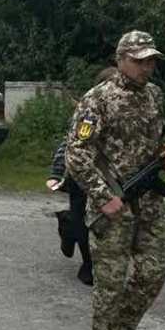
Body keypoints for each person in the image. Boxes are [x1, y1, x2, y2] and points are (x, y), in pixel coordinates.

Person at [64, 31, 165, 330]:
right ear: (120, 60)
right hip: (114, 203)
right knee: (111, 281)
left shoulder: (155, 95)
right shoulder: (97, 99)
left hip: (150, 203)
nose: (147, 67)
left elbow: (157, 143)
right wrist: (103, 197)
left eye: (151, 61)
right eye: (139, 60)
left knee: (154, 272)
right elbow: (77, 154)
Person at [47, 67, 119, 288]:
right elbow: (69, 145)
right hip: (81, 176)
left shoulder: (129, 111)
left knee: (105, 220)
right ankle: (88, 263)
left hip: (110, 177)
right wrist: (56, 173)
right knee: (81, 220)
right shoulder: (88, 112)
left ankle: (72, 228)